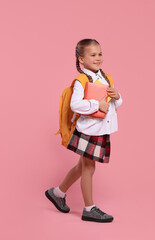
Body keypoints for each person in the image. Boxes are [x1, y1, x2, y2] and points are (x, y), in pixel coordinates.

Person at [45, 39, 122, 223]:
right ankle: (89, 209)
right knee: (89, 167)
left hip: (100, 129)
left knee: (81, 166)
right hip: (88, 129)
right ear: (81, 59)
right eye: (93, 55)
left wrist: (117, 97)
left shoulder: (105, 78)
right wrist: (97, 104)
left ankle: (57, 193)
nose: (98, 58)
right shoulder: (81, 81)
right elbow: (76, 104)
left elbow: (112, 106)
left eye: (100, 54)